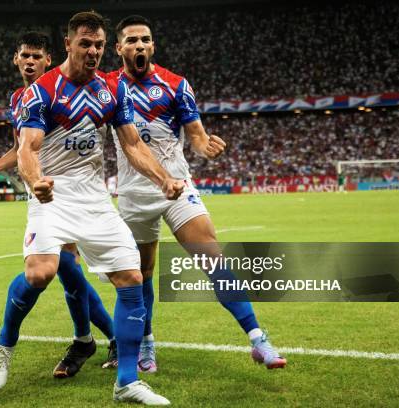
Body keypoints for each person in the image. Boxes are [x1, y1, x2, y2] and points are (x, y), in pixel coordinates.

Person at [0, 11, 186, 405]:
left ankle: (127, 382)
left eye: (98, 45)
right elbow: (28, 148)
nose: (93, 52)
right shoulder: (41, 91)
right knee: (41, 273)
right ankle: (5, 343)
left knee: (130, 278)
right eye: (85, 44)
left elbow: (132, 144)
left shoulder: (111, 92)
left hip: (95, 197)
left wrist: (162, 177)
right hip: (52, 194)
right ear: (68, 44)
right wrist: (35, 180)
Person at [110, 15, 287, 372]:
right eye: (131, 40)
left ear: (153, 45)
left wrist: (205, 146)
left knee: (213, 258)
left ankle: (257, 339)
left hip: (176, 187)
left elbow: (196, 133)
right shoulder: (107, 86)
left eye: (145, 39)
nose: (139, 45)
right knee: (141, 273)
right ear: (119, 48)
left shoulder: (175, 84)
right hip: (133, 193)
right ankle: (146, 343)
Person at [0, 32, 118, 377]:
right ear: (15, 59)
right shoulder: (18, 99)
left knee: (68, 273)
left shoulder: (64, 90)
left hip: (75, 194)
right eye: (24, 55)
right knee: (60, 273)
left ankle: (93, 340)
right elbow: (21, 147)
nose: (29, 61)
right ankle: (97, 339)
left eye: (36, 56)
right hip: (44, 196)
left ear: (48, 61)